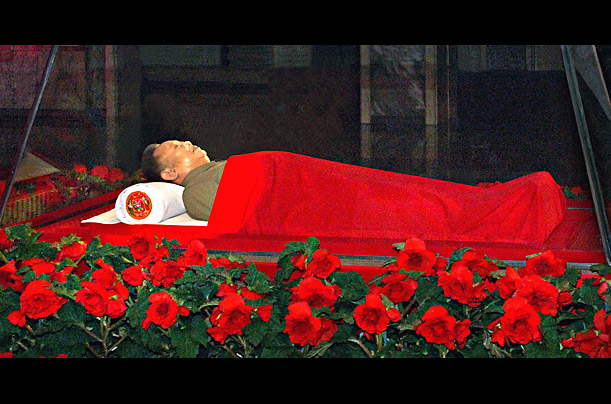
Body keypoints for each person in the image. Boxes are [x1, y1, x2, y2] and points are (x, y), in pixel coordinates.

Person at [141, 140, 226, 221]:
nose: (188, 143)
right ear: (170, 173)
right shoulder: (194, 193)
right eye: (177, 146)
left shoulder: (214, 170)